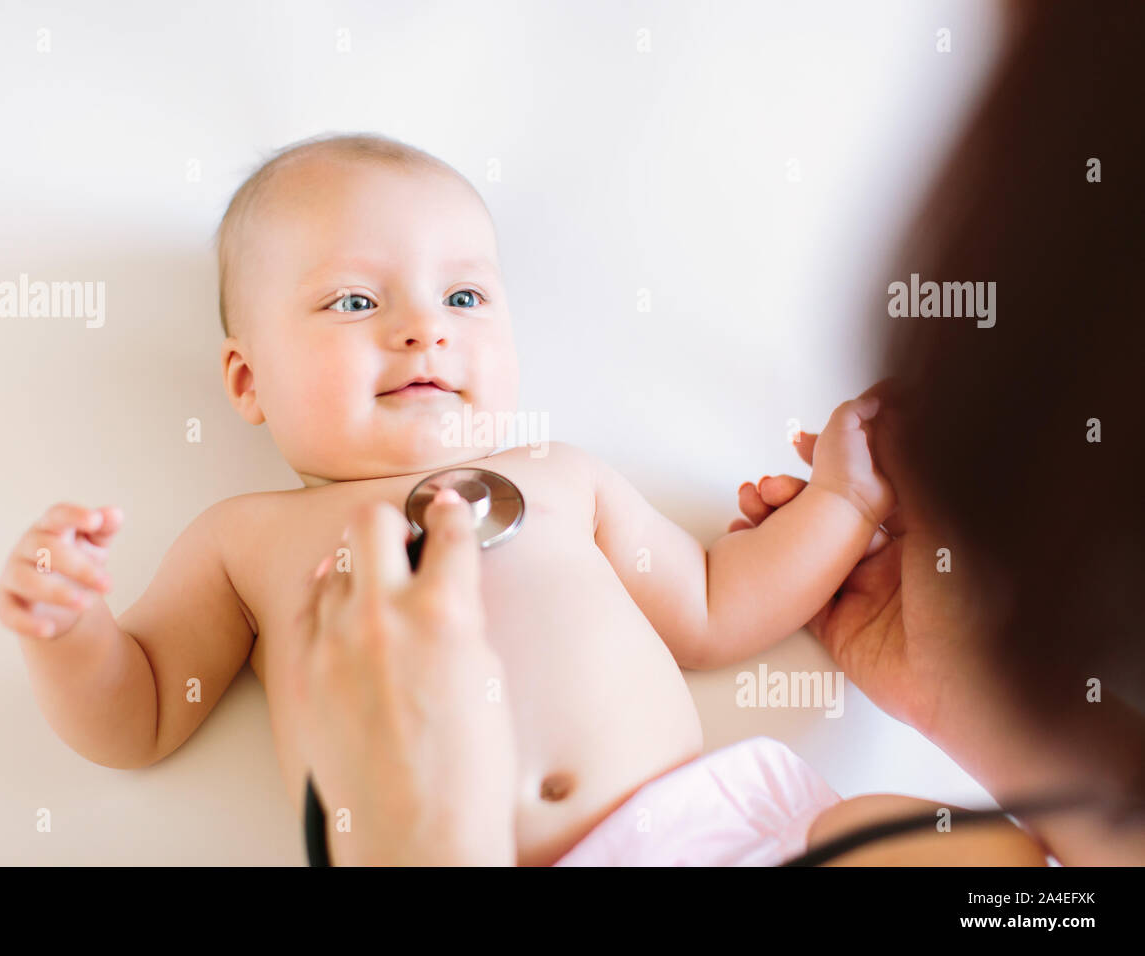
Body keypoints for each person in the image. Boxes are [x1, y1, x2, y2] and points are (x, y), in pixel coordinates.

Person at [292, 0, 1145, 864]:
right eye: (354, 301)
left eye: (464, 298)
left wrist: (843, 503)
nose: (423, 332)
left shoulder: (562, 477)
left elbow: (710, 601)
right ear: (246, 376)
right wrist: (975, 688)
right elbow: (147, 694)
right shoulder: (244, 539)